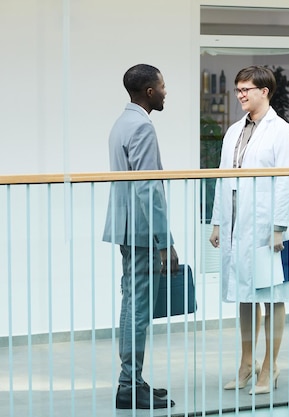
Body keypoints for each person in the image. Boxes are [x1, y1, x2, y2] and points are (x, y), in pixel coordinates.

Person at [209, 65, 289, 395]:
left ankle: (270, 366)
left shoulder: (282, 132)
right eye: (238, 89)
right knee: (245, 296)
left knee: (272, 296)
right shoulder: (234, 131)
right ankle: (247, 363)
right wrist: (218, 221)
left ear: (265, 92)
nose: (241, 95)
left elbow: (287, 182)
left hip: (266, 228)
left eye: (247, 89)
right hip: (237, 224)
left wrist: (278, 228)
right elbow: (222, 178)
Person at [102, 63, 178, 410]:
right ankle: (129, 384)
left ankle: (131, 380)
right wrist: (166, 242)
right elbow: (149, 187)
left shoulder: (122, 123)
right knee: (138, 307)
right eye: (162, 87)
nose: (165, 92)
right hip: (143, 229)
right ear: (149, 91)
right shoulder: (142, 127)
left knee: (131, 303)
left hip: (126, 225)